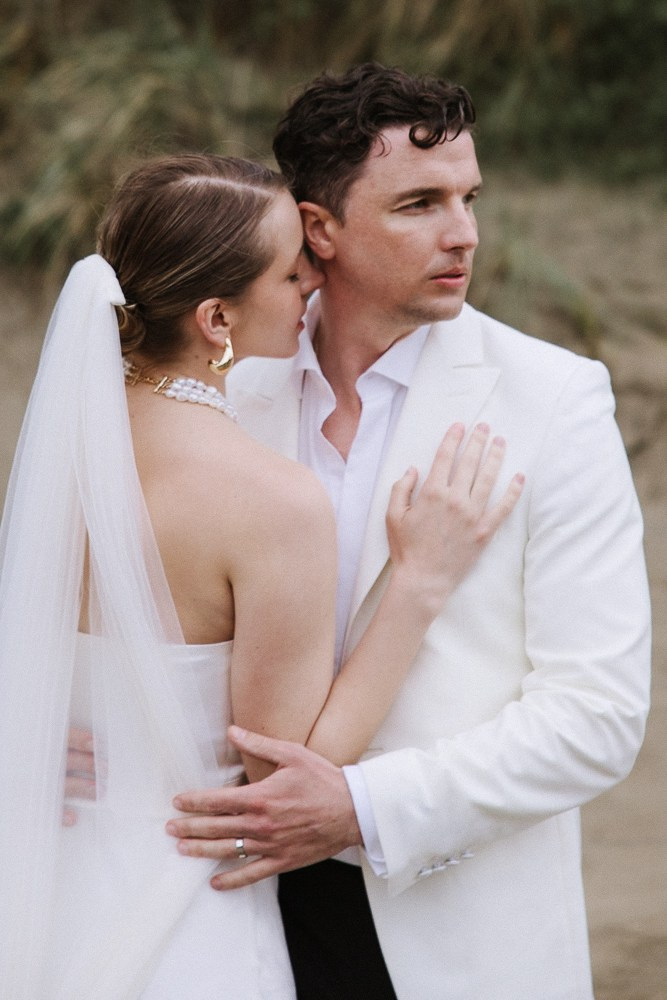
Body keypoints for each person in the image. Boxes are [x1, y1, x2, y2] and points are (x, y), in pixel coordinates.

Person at [166, 65, 652, 1000]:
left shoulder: (554, 399)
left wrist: (359, 808)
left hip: (450, 928)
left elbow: (595, 717)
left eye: (468, 199)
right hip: (228, 915)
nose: (462, 232)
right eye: (419, 204)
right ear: (320, 229)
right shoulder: (223, 390)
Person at [0, 153, 522, 999]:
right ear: (217, 318)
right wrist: (419, 585)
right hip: (184, 901)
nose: (313, 282)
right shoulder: (270, 499)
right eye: (290, 272)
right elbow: (283, 773)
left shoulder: (64, 454)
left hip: (48, 885)